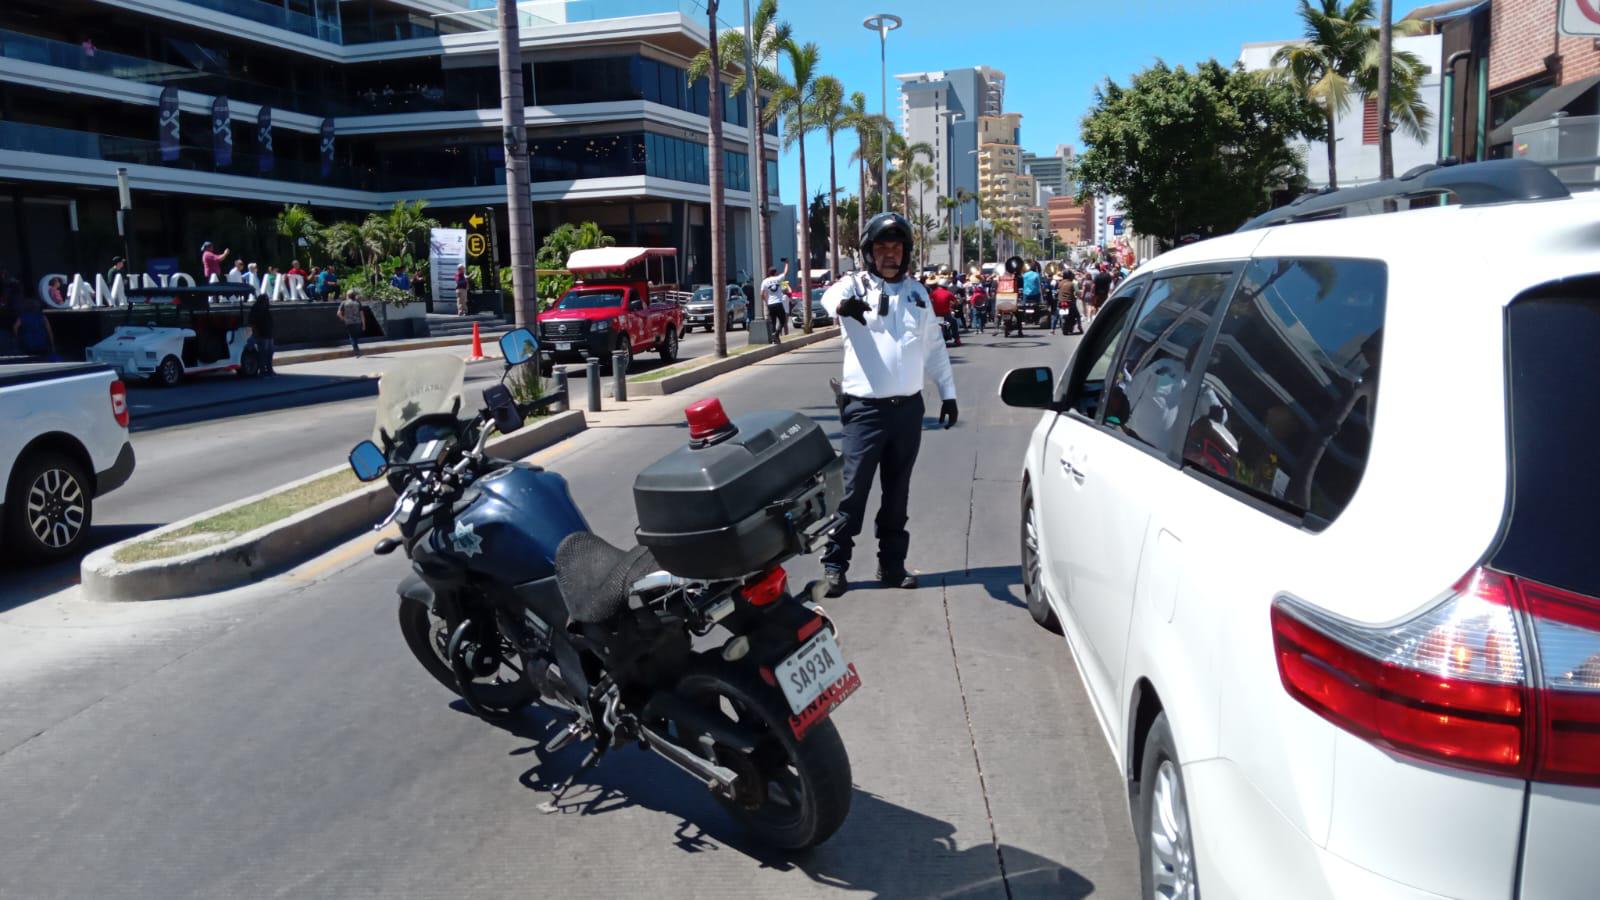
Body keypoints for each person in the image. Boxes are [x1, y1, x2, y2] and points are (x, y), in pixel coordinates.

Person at [818, 212, 958, 598]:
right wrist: (844, 306)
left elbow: (933, 347)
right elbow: (829, 297)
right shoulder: (855, 286)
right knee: (853, 493)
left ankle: (892, 566)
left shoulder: (917, 294)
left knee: (897, 495)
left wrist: (948, 393)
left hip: (908, 411)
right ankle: (834, 565)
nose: (889, 255)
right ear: (869, 252)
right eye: (881, 248)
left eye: (896, 247)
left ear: (906, 252)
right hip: (865, 412)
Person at [928, 274, 960, 347]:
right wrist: (954, 305)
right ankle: (957, 339)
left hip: (935, 315)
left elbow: (929, 301)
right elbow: (956, 302)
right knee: (954, 322)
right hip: (946, 315)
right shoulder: (948, 293)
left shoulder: (933, 292)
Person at [248, 293, 276, 375]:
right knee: (263, 353)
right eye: (265, 299)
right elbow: (252, 322)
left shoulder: (266, 309)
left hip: (268, 334)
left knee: (270, 353)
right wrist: (255, 332)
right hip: (262, 334)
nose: (267, 301)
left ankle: (269, 369)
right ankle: (262, 370)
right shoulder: (256, 309)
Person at [759, 267, 787, 341]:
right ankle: (777, 333)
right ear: (775, 273)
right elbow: (785, 272)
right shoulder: (778, 279)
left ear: (768, 273)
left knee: (773, 322)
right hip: (778, 303)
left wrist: (766, 301)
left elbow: (761, 294)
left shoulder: (765, 281)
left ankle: (775, 339)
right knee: (783, 320)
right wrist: (787, 263)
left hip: (770, 304)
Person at [338, 289, 365, 356]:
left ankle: (356, 351)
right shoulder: (358, 303)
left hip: (349, 322)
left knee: (352, 337)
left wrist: (344, 319)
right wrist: (364, 324)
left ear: (347, 295)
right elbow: (362, 314)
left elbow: (338, 313)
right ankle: (357, 350)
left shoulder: (344, 303)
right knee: (355, 336)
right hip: (358, 322)